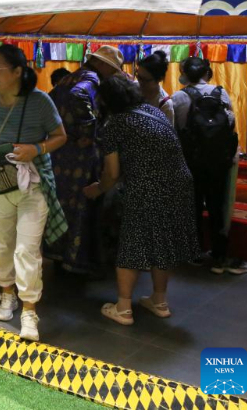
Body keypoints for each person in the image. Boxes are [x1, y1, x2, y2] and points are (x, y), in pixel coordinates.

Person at [0, 44, 67, 341]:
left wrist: (36, 148)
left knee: (27, 250)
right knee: (0, 246)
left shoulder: (40, 102)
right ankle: (7, 292)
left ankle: (29, 309)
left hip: (32, 184)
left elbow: (61, 136)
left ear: (18, 72)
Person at [84, 76, 200, 325]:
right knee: (162, 242)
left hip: (147, 186)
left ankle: (124, 308)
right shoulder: (151, 110)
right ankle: (159, 302)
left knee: (132, 243)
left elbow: (112, 173)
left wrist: (98, 189)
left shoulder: (116, 124)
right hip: (180, 183)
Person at [46, 47, 124, 276]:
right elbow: (78, 96)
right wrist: (90, 130)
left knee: (61, 203)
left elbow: (51, 100)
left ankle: (58, 255)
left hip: (62, 151)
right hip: (81, 155)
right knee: (81, 203)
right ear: (103, 65)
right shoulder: (90, 79)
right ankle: (76, 260)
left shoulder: (69, 76)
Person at [172, 57, 247, 275]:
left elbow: (173, 129)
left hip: (190, 162)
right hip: (218, 161)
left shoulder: (178, 97)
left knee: (192, 206)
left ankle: (194, 253)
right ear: (208, 72)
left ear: (185, 74)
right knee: (217, 206)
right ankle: (219, 254)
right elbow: (231, 122)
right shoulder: (221, 93)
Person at [136, 51, 175, 125]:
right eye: (138, 77)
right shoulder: (133, 88)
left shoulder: (165, 104)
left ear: (159, 79)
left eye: (145, 80)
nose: (140, 82)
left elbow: (168, 133)